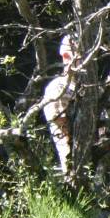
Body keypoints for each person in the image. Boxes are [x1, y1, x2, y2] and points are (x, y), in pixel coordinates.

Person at [41, 33, 78, 173]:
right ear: (66, 56)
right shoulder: (58, 88)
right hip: (77, 167)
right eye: (80, 55)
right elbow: (63, 132)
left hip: (107, 171)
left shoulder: (92, 87)